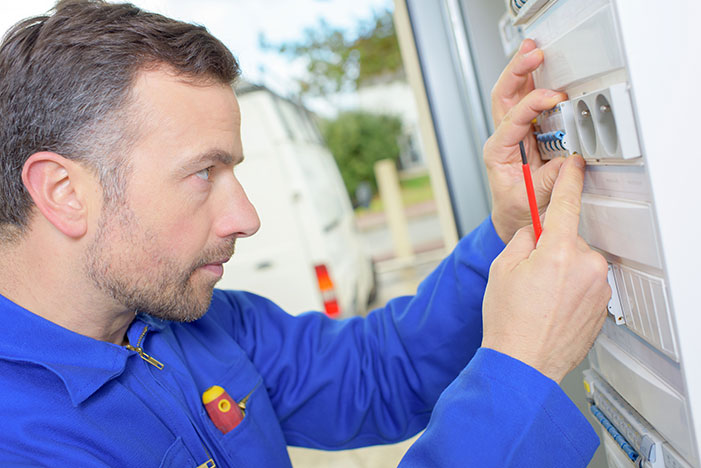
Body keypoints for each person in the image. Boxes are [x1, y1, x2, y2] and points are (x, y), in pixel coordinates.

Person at [0, 1, 610, 466]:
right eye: (203, 172)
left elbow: (380, 370)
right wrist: (519, 373)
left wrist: (506, 229)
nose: (247, 216)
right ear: (63, 192)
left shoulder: (191, 323)